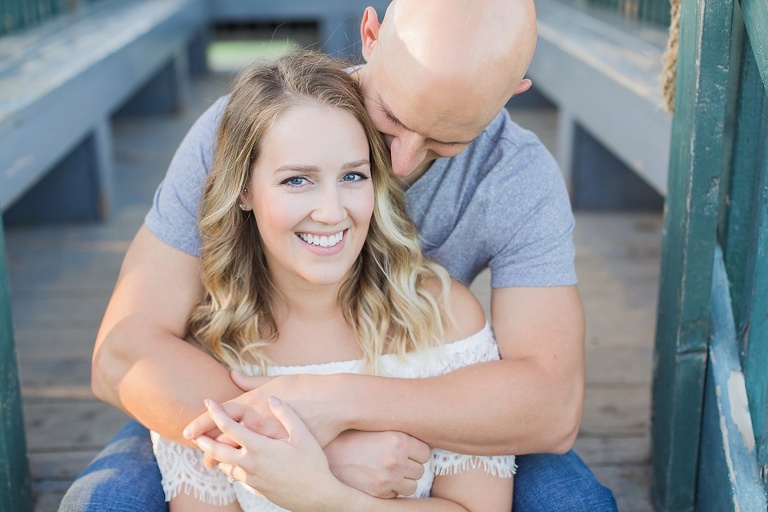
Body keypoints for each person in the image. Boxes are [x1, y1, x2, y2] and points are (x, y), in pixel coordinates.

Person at [61, 0, 618, 510]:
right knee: (101, 502)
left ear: (512, 92)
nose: (399, 167)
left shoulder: (518, 176)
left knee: (575, 503)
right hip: (227, 382)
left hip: (429, 388)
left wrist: (337, 402)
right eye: (393, 118)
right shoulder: (248, 127)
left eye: (446, 141)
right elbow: (124, 355)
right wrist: (318, 452)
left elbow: (550, 405)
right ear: (370, 35)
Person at [151, 49, 516, 511]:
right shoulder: (206, 357)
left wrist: (327, 497)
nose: (330, 211)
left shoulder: (443, 318)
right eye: (297, 181)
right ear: (244, 189)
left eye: (351, 175)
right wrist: (324, 460)